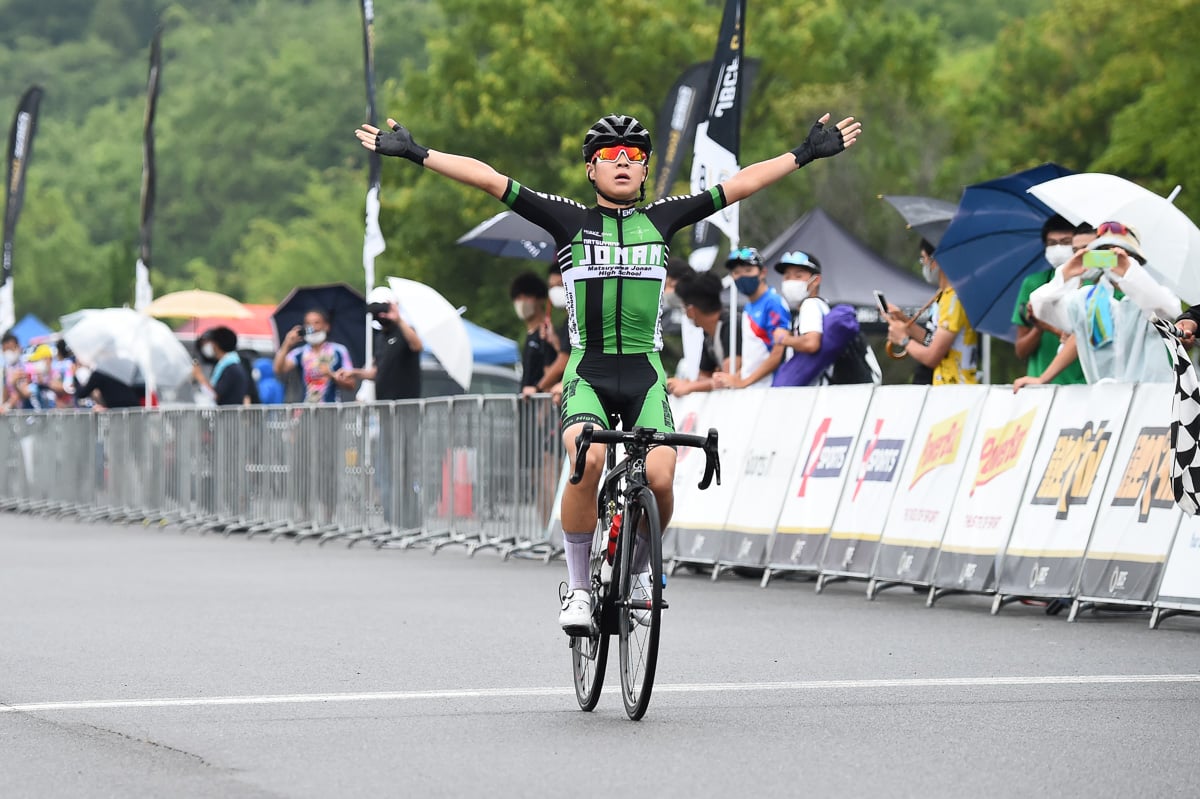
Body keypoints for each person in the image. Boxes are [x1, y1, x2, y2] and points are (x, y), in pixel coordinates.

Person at [357, 109, 861, 634]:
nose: (623, 163)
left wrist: (802, 154)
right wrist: (418, 153)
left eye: (635, 156)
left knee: (662, 479)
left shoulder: (665, 218)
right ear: (590, 170)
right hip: (588, 370)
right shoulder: (567, 220)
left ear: (645, 172)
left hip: (645, 373)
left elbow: (741, 183)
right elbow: (488, 178)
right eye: (609, 156)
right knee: (589, 458)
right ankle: (577, 589)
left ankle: (641, 573)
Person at [1021, 221, 1178, 385]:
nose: (1112, 260)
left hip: (1152, 397)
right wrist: (1066, 274)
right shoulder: (1085, 301)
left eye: (1121, 254)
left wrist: (1130, 274)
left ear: (1136, 260)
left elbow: (1170, 310)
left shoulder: (1152, 298)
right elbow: (1041, 307)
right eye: (1102, 252)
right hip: (1105, 399)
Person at [886, 240, 980, 384]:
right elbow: (933, 341)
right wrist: (904, 321)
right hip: (944, 388)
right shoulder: (945, 295)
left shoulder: (954, 299)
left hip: (956, 390)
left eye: (924, 258)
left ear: (936, 261)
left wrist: (904, 340)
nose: (923, 264)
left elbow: (932, 356)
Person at [1011, 216, 1088, 385]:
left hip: (1083, 386)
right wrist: (1039, 327)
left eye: (1065, 242)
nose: (1059, 248)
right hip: (1041, 388)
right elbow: (1021, 351)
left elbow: (1086, 339)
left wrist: (1050, 327)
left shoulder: (1095, 286)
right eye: (1052, 243)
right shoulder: (1034, 284)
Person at [712, 247, 791, 390]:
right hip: (754, 390)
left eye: (748, 270)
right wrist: (735, 378)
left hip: (771, 389)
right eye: (736, 273)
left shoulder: (773, 302)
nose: (742, 277)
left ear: (762, 273)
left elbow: (777, 352)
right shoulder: (749, 307)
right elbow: (754, 357)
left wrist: (744, 382)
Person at [338, 286, 424, 401]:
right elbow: (375, 372)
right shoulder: (380, 338)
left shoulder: (405, 331)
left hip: (405, 404)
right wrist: (353, 373)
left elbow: (417, 346)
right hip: (384, 403)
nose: (381, 315)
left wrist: (398, 319)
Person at [666, 271, 739, 396]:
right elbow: (703, 377)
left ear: (691, 311)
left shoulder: (732, 326)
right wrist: (688, 384)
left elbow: (727, 378)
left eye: (684, 307)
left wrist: (689, 387)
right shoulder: (708, 334)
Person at [772, 250, 833, 386]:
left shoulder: (810, 305)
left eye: (798, 276)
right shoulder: (820, 304)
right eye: (787, 277)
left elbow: (811, 343)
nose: (791, 282)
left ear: (816, 280)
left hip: (815, 392)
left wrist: (783, 339)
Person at [273, 309, 355, 403]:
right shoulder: (300, 353)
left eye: (317, 323)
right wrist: (287, 343)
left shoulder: (339, 351)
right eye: (308, 324)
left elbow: (351, 384)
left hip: (331, 411)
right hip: (306, 412)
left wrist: (331, 375)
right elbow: (278, 369)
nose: (313, 327)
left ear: (326, 326)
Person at [192, 326, 251, 406]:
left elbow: (215, 395)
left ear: (216, 345)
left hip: (228, 416)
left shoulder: (230, 368)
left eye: (210, 342)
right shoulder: (228, 364)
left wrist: (200, 377)